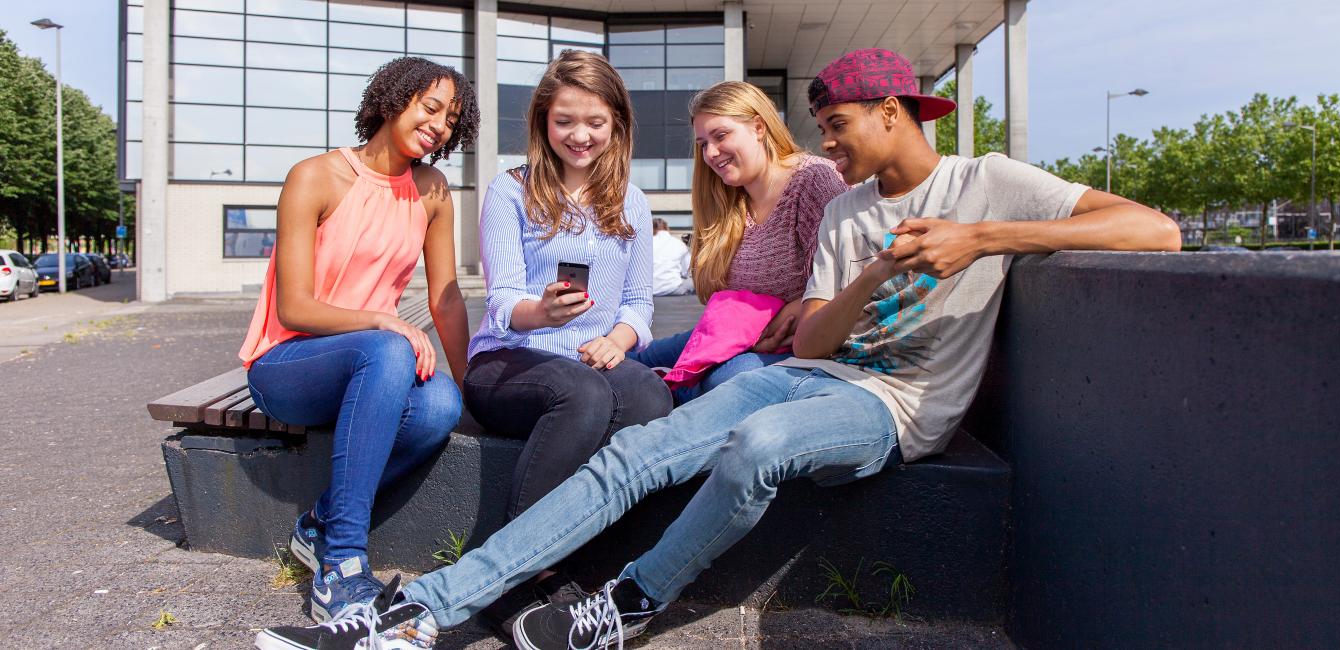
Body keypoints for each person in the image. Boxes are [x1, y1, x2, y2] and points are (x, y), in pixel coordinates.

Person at [253, 48, 1181, 650]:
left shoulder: (994, 181)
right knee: (638, 447)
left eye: (839, 127)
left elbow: (1157, 231)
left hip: (900, 406)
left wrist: (984, 240)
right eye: (818, 132)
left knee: (754, 445)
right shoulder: (848, 207)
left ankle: (627, 603)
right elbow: (815, 335)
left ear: (895, 111)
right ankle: (423, 613)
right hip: (820, 370)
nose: (827, 148)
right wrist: (863, 282)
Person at [237, 57, 479, 623]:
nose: (440, 124)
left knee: (440, 402)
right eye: (431, 106)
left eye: (451, 119)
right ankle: (341, 565)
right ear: (393, 99)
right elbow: (293, 306)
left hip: (373, 363)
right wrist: (380, 321)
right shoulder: (314, 176)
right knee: (390, 345)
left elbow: (445, 296)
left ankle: (318, 525)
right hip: (288, 365)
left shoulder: (432, 191)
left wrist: (471, 388)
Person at [456, 50, 673, 636]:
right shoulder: (510, 190)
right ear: (542, 123)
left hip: (589, 357)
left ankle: (581, 553)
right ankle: (515, 575)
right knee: (581, 394)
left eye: (595, 123)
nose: (580, 136)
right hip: (508, 359)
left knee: (650, 398)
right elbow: (501, 299)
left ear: (618, 125)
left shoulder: (630, 200)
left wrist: (619, 340)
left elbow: (638, 306)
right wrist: (541, 311)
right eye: (565, 121)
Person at [630, 81, 849, 403]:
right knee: (631, 361)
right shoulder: (730, 201)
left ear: (758, 127)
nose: (711, 153)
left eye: (720, 136)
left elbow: (842, 284)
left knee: (728, 380)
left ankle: (665, 392)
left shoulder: (814, 180)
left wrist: (794, 310)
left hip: (806, 349)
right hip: (736, 336)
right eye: (703, 144)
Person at [650, 218, 692, 296]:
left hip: (650, 290)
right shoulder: (678, 243)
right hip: (674, 288)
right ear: (667, 228)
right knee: (693, 282)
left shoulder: (647, 244)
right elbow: (688, 270)